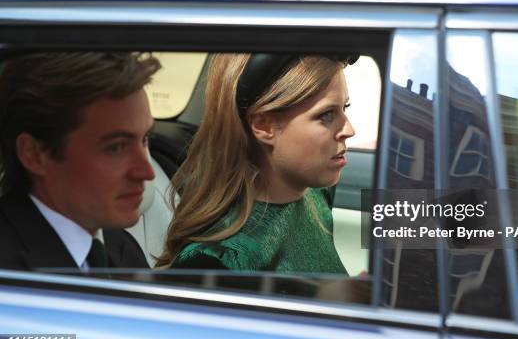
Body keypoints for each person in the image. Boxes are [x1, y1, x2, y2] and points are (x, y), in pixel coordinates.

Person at [157, 53, 357, 273]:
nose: (349, 130)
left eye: (344, 108)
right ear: (264, 126)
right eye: (326, 115)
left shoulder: (315, 195)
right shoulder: (218, 261)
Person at [0, 51, 160, 271]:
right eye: (116, 148)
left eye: (145, 140)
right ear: (34, 154)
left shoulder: (119, 246)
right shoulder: (10, 274)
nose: (147, 172)